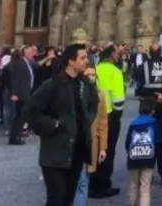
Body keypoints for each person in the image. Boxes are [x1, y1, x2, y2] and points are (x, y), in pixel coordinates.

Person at [22, 44, 98, 206]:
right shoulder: (53, 84)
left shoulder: (86, 84)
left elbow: (93, 104)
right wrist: (53, 124)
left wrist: (86, 120)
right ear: (71, 61)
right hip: (55, 154)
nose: (87, 62)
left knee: (68, 198)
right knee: (56, 199)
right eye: (83, 58)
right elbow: (29, 110)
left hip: (77, 152)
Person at [136, 42, 162, 186]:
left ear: (150, 53)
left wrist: (152, 93)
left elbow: (138, 89)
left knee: (147, 141)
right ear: (161, 51)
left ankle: (147, 175)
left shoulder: (143, 67)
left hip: (148, 108)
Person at [90, 45, 125, 198]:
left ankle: (92, 182)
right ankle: (103, 185)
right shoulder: (115, 71)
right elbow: (118, 99)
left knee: (95, 148)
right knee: (108, 151)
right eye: (117, 53)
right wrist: (116, 117)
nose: (119, 56)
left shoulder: (96, 69)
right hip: (110, 115)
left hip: (94, 115)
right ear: (111, 55)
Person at [74, 66, 108, 206]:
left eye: (93, 75)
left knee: (83, 180)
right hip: (76, 142)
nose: (91, 77)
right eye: (88, 74)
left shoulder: (100, 96)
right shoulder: (74, 93)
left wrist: (103, 148)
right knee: (80, 181)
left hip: (91, 143)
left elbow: (103, 123)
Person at [125, 97, 160, 206]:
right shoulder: (154, 123)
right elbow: (158, 141)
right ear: (153, 110)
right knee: (145, 188)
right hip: (148, 159)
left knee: (133, 186)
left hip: (133, 159)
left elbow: (127, 143)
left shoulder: (133, 123)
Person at [9, 45, 36, 145]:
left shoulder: (26, 63)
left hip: (25, 93)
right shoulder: (20, 63)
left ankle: (15, 136)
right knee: (19, 117)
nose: (31, 54)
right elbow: (16, 79)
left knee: (20, 116)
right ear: (24, 53)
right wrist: (14, 93)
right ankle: (15, 137)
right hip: (21, 94)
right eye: (29, 52)